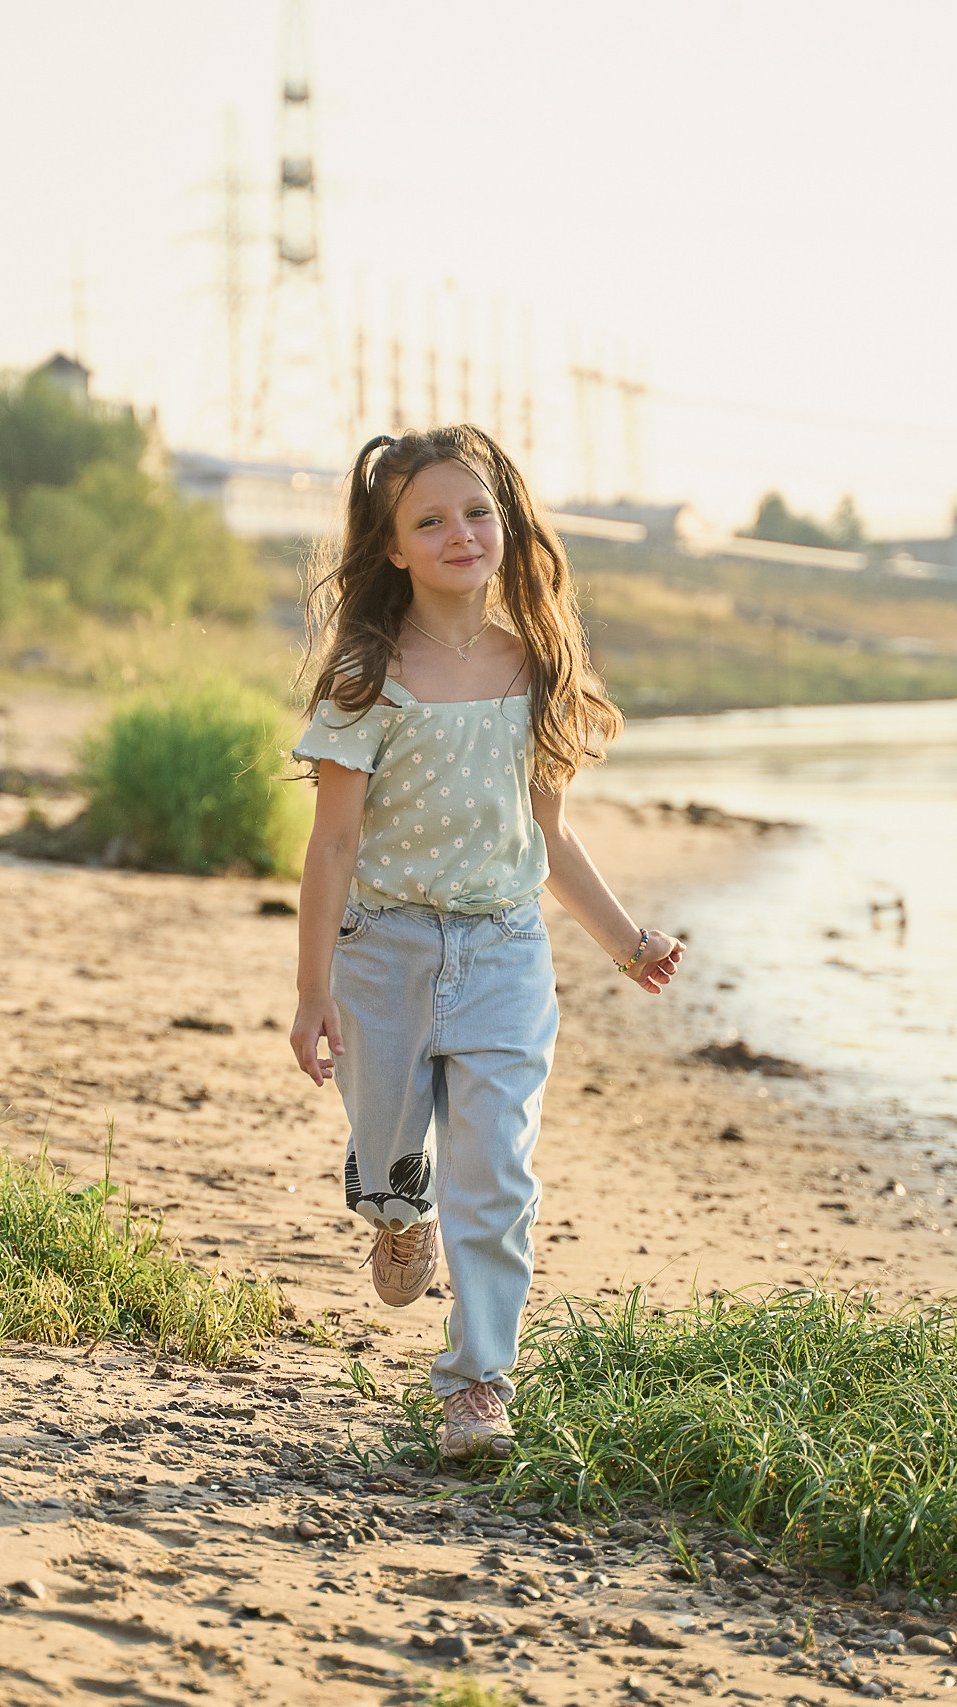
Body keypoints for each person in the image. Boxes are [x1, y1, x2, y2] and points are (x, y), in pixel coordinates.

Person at [287, 424, 684, 1462]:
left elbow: (546, 834)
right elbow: (331, 843)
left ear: (505, 523)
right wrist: (311, 991)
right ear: (393, 548)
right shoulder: (368, 675)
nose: (459, 533)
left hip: (505, 952)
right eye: (430, 520)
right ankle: (392, 1209)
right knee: (387, 1151)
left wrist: (625, 941)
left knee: (497, 1170)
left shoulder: (536, 664)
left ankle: (476, 1385)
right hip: (382, 951)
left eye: (476, 512)